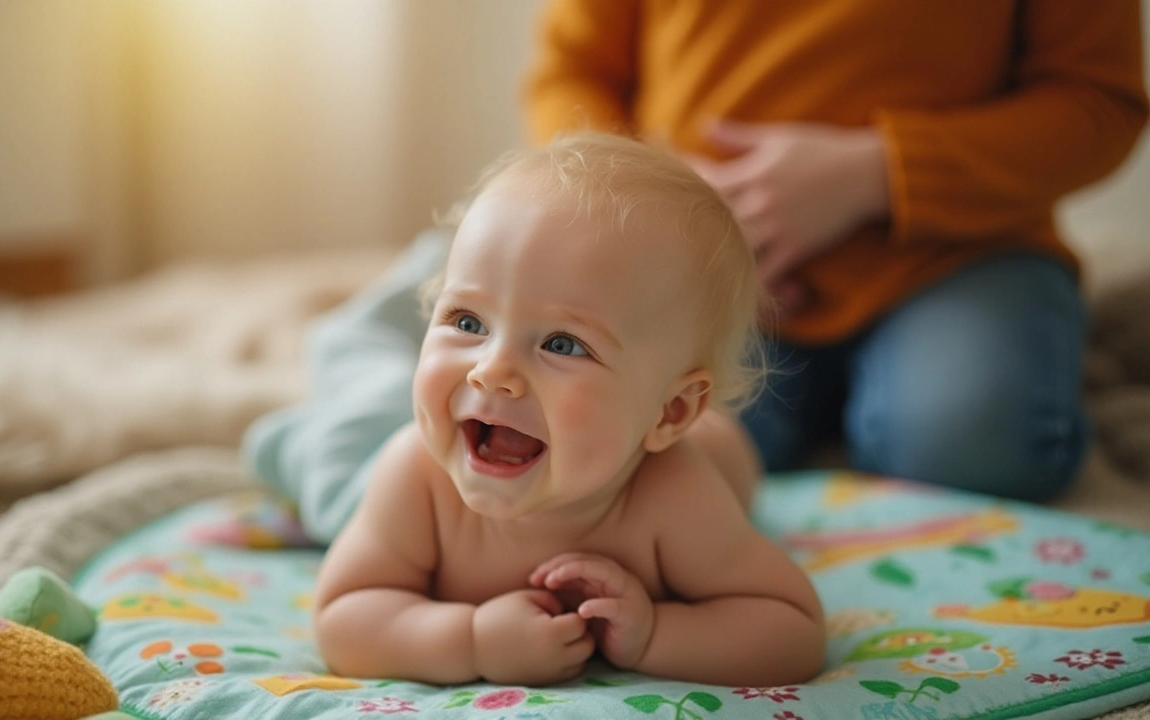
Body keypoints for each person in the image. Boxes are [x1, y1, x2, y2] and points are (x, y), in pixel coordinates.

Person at [524, 0, 1148, 501]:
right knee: (618, 451)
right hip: (704, 263)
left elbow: (1098, 101)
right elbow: (571, 75)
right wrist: (672, 203)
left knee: (975, 446)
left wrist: (876, 173)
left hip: (959, 252)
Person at [310, 133, 824, 687]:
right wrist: (473, 640)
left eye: (562, 344)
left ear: (669, 413)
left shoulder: (672, 494)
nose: (492, 371)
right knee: (343, 450)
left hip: (717, 451)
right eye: (467, 322)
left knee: (726, 448)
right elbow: (344, 617)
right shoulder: (416, 476)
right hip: (428, 435)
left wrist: (655, 634)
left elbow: (791, 631)